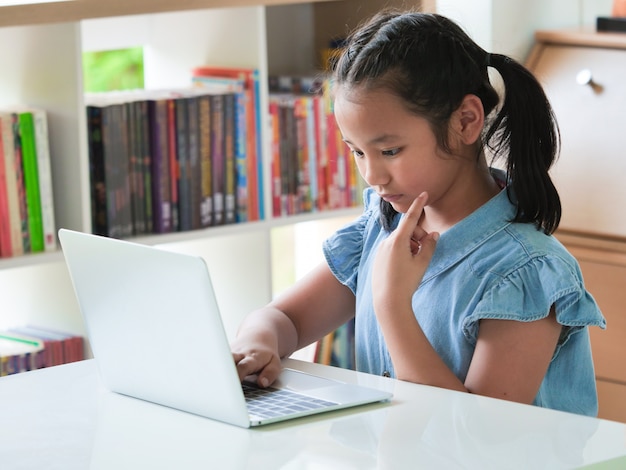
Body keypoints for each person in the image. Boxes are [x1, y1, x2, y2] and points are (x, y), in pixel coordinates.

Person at [231, 10, 606, 416]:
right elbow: (285, 318)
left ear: (466, 121)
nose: (372, 175)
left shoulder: (525, 272)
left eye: (390, 151)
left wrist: (392, 304)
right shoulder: (381, 228)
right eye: (357, 151)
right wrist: (258, 343)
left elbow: (479, 439)